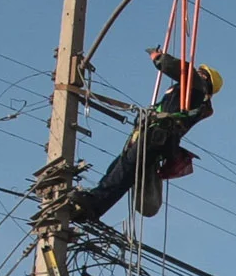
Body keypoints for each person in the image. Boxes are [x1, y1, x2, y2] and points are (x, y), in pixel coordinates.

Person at [70, 47, 223, 222]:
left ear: (205, 79)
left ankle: (94, 204)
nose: (197, 72)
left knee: (125, 169)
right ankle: (93, 207)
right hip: (155, 135)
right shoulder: (189, 95)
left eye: (201, 72)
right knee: (120, 169)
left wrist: (159, 58)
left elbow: (183, 70)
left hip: (158, 135)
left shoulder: (197, 88)